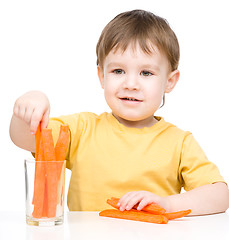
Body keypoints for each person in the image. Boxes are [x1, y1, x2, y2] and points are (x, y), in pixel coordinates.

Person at [10, 9, 229, 215]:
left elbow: (220, 196)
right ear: (102, 76)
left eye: (146, 72)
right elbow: (27, 140)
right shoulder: (82, 129)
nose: (131, 83)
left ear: (169, 82)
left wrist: (169, 204)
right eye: (118, 71)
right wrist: (29, 109)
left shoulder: (179, 142)